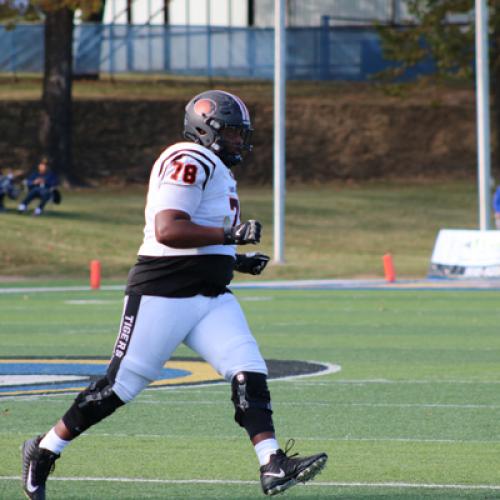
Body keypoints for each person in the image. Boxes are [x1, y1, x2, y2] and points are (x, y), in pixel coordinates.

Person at [21, 90, 328, 499]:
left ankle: (272, 463)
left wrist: (234, 259)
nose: (240, 141)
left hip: (210, 295)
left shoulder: (213, 164)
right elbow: (168, 229)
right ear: (206, 128)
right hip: (164, 292)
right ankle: (45, 450)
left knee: (247, 369)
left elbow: (197, 234)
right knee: (118, 388)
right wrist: (228, 235)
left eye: (242, 133)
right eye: (234, 133)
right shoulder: (188, 158)